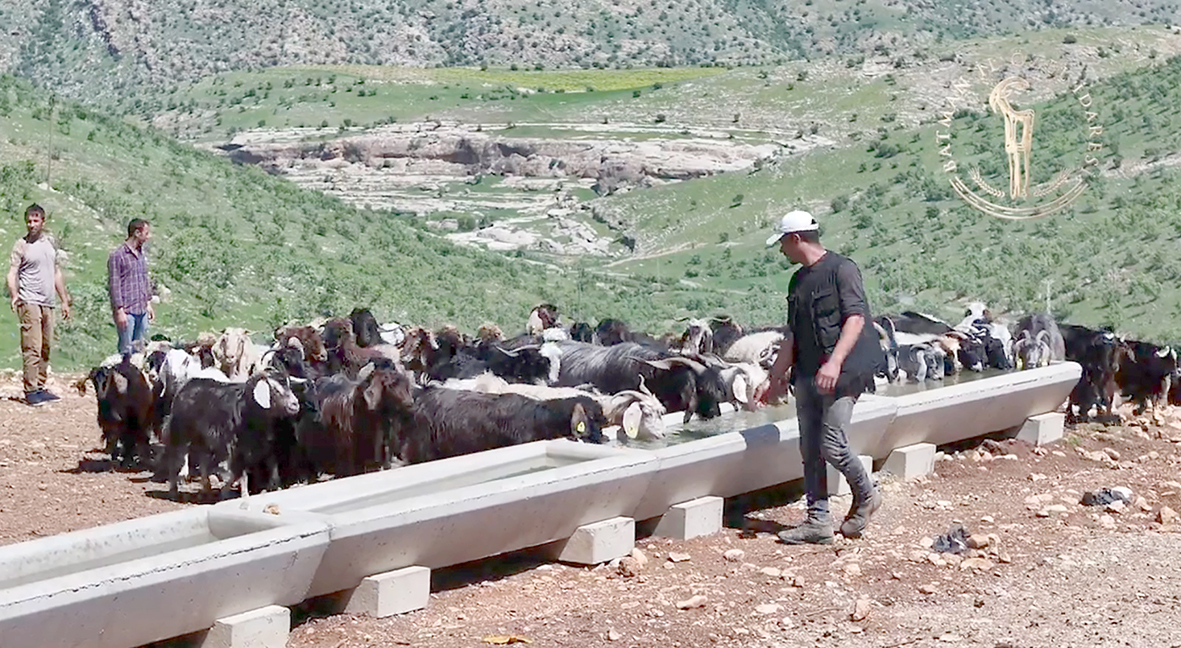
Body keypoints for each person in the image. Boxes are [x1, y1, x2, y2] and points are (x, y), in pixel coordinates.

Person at [755, 210, 885, 544]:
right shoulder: (798, 281)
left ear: (796, 239)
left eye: (783, 243)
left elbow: (855, 319)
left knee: (832, 444)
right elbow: (792, 334)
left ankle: (867, 495)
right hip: (808, 372)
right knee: (809, 448)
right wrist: (774, 377)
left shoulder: (843, 269)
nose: (782, 251)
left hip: (845, 371)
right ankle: (817, 521)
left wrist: (834, 363)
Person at [6, 203, 70, 405]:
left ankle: (41, 385)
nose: (31, 224)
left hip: (48, 301)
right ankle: (31, 389)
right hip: (30, 300)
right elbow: (12, 272)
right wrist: (14, 294)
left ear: (43, 221)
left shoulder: (50, 243)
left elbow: (56, 272)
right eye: (29, 220)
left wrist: (64, 299)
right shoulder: (21, 245)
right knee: (32, 345)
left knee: (46, 345)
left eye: (35, 220)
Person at [108, 218, 154, 355]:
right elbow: (114, 285)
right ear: (137, 233)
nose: (148, 237)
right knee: (126, 350)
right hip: (127, 311)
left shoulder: (141, 255)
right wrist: (119, 311)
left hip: (142, 309)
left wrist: (148, 303)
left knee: (141, 349)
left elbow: (144, 279)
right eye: (146, 233)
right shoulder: (118, 256)